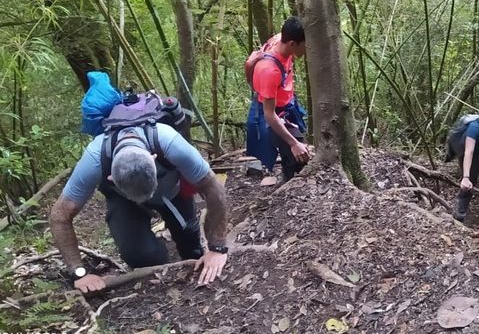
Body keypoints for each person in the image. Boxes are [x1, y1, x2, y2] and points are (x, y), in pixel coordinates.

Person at [49, 122, 230, 293]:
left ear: (154, 158)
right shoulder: (95, 160)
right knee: (141, 256)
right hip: (124, 200)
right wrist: (79, 272)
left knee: (190, 242)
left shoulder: (171, 143)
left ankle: (187, 253)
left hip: (170, 190)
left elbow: (214, 189)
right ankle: (156, 267)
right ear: (110, 178)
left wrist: (217, 248)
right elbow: (59, 216)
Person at [246, 16, 311, 182]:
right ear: (292, 44)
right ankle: (289, 187)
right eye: (305, 45)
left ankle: (288, 176)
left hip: (286, 105)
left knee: (295, 153)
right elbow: (269, 114)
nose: (307, 49)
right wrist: (293, 143)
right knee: (299, 154)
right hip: (273, 115)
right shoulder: (269, 71)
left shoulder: (279, 40)